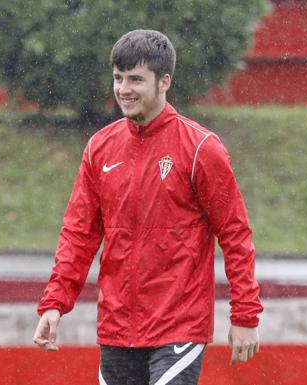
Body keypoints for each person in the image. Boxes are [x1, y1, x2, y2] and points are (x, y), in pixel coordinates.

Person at [33, 29, 263, 385]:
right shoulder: (99, 148)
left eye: (136, 79)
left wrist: (245, 315)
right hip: (117, 326)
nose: (124, 89)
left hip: (179, 324)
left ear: (164, 82)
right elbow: (79, 234)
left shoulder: (202, 148)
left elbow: (235, 234)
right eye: (118, 78)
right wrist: (54, 302)